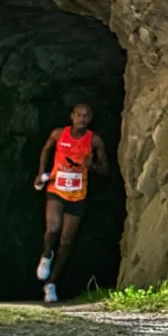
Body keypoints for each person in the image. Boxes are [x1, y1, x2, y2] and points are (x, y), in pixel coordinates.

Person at [33, 102, 110, 304]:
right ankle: (46, 254)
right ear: (72, 116)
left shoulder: (95, 140)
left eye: (86, 116)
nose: (82, 119)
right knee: (53, 228)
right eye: (79, 115)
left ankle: (51, 284)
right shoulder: (59, 134)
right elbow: (46, 149)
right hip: (56, 190)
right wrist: (41, 172)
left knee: (66, 242)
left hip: (78, 195)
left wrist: (91, 165)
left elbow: (105, 170)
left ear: (90, 119)